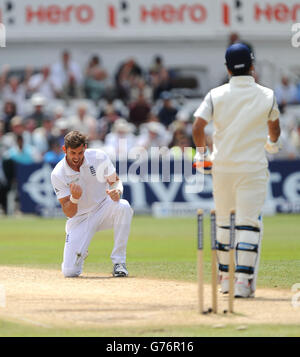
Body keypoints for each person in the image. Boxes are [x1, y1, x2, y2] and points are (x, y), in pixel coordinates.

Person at [192, 43, 281, 298]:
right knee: (248, 224)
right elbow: (274, 128)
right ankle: (243, 282)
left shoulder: (215, 94)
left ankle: (226, 281)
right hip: (252, 168)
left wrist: (202, 155)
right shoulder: (267, 94)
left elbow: (198, 128)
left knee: (223, 224)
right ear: (252, 66)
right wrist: (272, 144)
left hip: (223, 169)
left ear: (227, 68)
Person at [51, 131, 133, 278]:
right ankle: (81, 250)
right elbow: (69, 213)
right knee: (70, 272)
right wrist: (75, 199)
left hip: (103, 208)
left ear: (85, 148)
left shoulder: (98, 157)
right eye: (73, 153)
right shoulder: (58, 174)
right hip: (79, 218)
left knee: (124, 206)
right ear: (65, 150)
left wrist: (117, 191)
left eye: (80, 152)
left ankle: (119, 262)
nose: (77, 157)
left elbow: (115, 181)